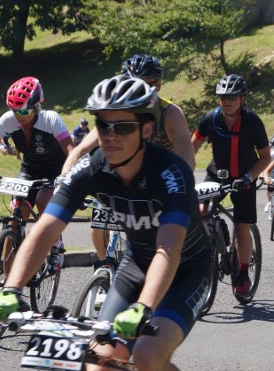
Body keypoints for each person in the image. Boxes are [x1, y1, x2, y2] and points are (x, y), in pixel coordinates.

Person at [0, 75, 210, 371]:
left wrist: (144, 307)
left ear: (146, 129)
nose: (110, 135)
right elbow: (45, 229)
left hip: (186, 268)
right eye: (102, 125)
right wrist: (11, 288)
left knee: (146, 354)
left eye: (122, 126)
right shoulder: (92, 168)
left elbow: (169, 248)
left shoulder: (170, 173)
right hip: (135, 266)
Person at [66, 54, 196, 270]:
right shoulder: (114, 113)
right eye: (133, 85)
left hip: (160, 180)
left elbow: (187, 160)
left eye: (148, 86)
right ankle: (105, 269)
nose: (141, 92)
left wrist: (173, 191)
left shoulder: (170, 113)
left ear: (159, 85)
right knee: (98, 221)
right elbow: (80, 150)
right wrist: (64, 178)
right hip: (123, 178)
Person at [0, 76, 74, 271]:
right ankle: (6, 279)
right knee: (14, 219)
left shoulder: (51, 119)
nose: (19, 115)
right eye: (14, 110)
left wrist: (66, 175)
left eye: (24, 111)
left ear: (36, 106)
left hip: (55, 169)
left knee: (44, 201)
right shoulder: (8, 120)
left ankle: (56, 247)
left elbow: (71, 150)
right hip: (29, 169)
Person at [192, 74, 271, 297]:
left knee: (243, 227)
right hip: (217, 173)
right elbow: (191, 149)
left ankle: (243, 273)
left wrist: (249, 177)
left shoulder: (253, 122)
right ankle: (216, 238)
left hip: (244, 177)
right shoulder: (210, 119)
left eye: (232, 96)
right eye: (222, 96)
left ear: (241, 98)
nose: (226, 100)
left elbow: (265, 157)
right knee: (202, 212)